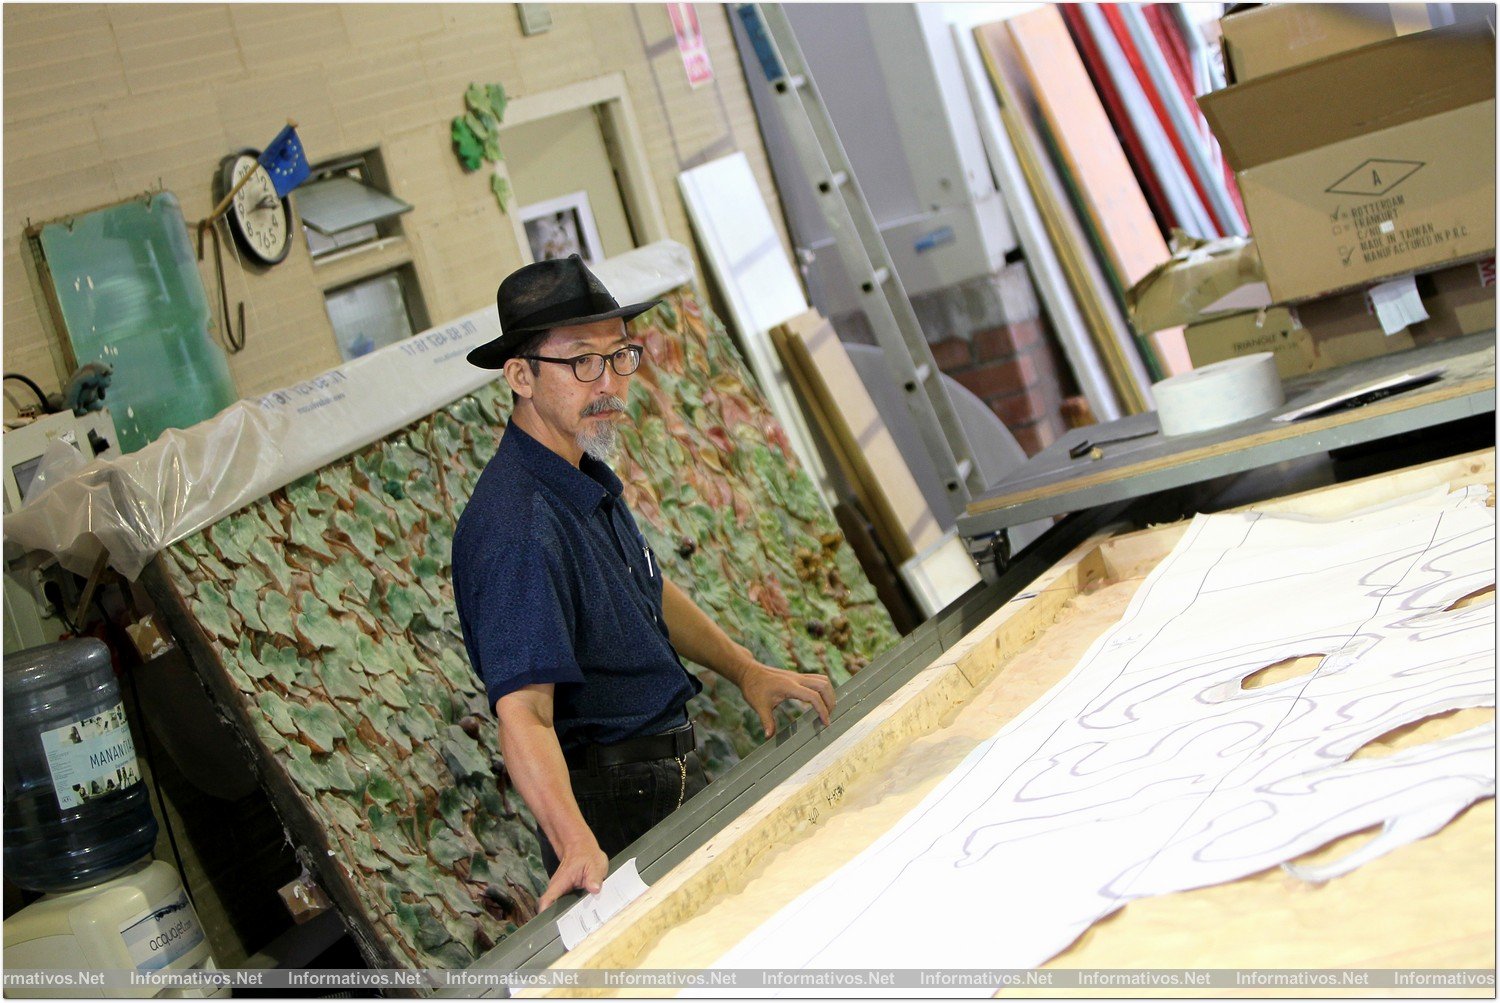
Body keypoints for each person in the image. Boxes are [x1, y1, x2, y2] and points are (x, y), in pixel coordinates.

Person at [452, 255, 836, 911]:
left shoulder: (580, 470)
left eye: (619, 356)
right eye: (581, 362)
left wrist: (746, 670)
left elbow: (645, 588)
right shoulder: (518, 525)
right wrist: (575, 840)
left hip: (663, 777)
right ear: (519, 374)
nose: (608, 384)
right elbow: (524, 711)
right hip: (612, 807)